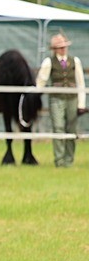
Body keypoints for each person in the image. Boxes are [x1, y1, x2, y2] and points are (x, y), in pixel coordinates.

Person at [34, 32, 86, 167]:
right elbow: (41, 80)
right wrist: (35, 95)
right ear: (55, 49)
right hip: (56, 98)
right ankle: (59, 160)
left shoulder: (75, 61)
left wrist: (81, 104)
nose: (63, 49)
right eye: (60, 47)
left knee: (71, 129)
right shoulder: (48, 62)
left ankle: (69, 160)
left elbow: (81, 83)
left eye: (64, 46)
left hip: (72, 98)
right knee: (58, 128)